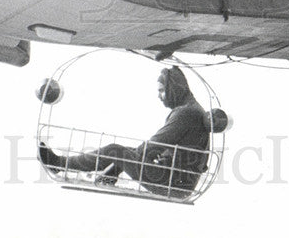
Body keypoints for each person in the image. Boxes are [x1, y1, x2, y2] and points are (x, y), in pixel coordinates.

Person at [38, 66, 210, 200]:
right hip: (181, 181)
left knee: (115, 150)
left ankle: (59, 164)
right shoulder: (192, 109)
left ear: (174, 89)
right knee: (126, 152)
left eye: (161, 91)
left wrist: (120, 161)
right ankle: (107, 175)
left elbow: (154, 145)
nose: (159, 96)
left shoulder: (186, 113)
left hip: (172, 182)